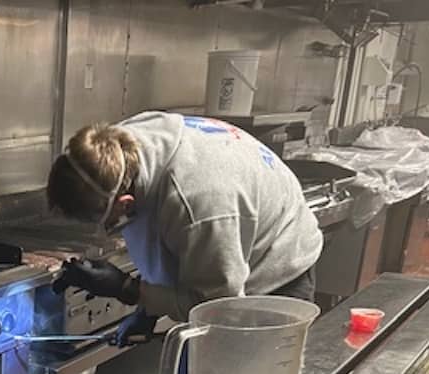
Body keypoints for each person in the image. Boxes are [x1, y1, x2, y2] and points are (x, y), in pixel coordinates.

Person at [47, 112, 323, 346]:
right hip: (223, 236)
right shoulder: (117, 152)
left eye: (104, 221)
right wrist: (147, 310)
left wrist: (127, 288)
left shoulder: (198, 204)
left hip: (276, 269)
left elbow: (217, 310)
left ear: (125, 202)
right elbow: (157, 231)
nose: (102, 230)